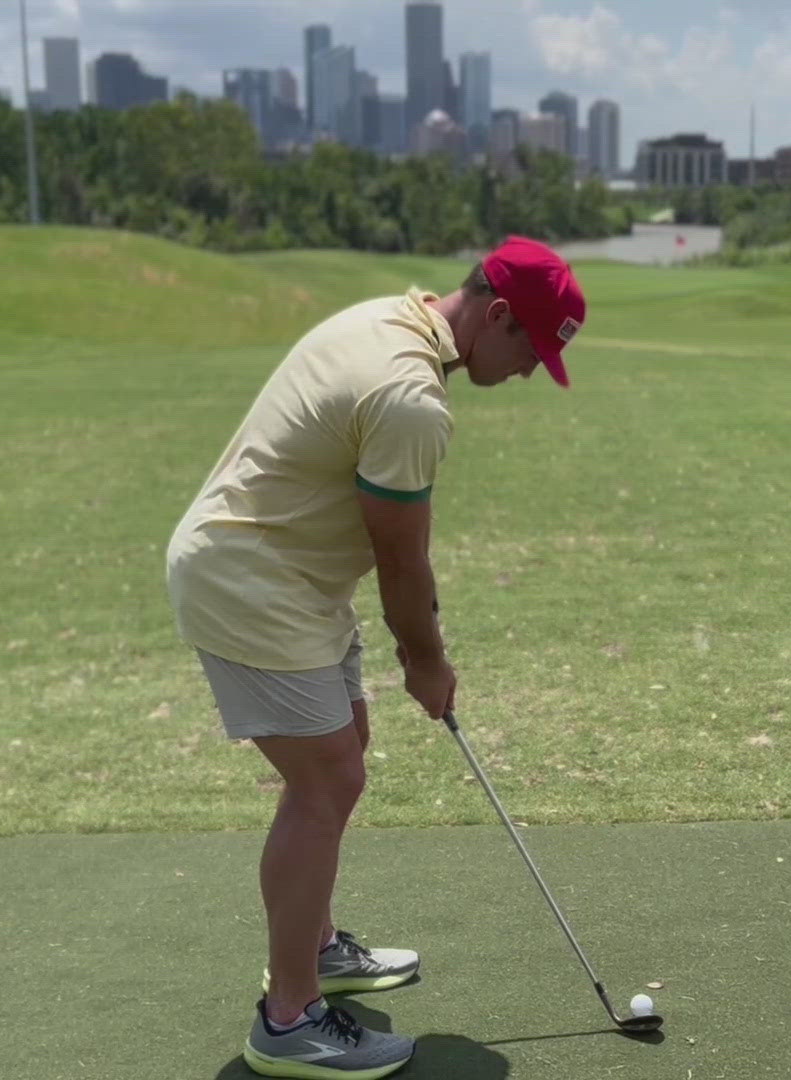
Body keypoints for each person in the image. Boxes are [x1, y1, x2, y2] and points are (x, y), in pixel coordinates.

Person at [165, 236, 586, 1078]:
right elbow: (402, 562)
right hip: (254, 581)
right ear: (497, 316)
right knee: (324, 783)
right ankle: (289, 1018)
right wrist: (426, 663)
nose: (531, 372)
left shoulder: (387, 317)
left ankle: (315, 950)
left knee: (344, 753)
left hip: (294, 576)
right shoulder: (412, 401)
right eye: (532, 351)